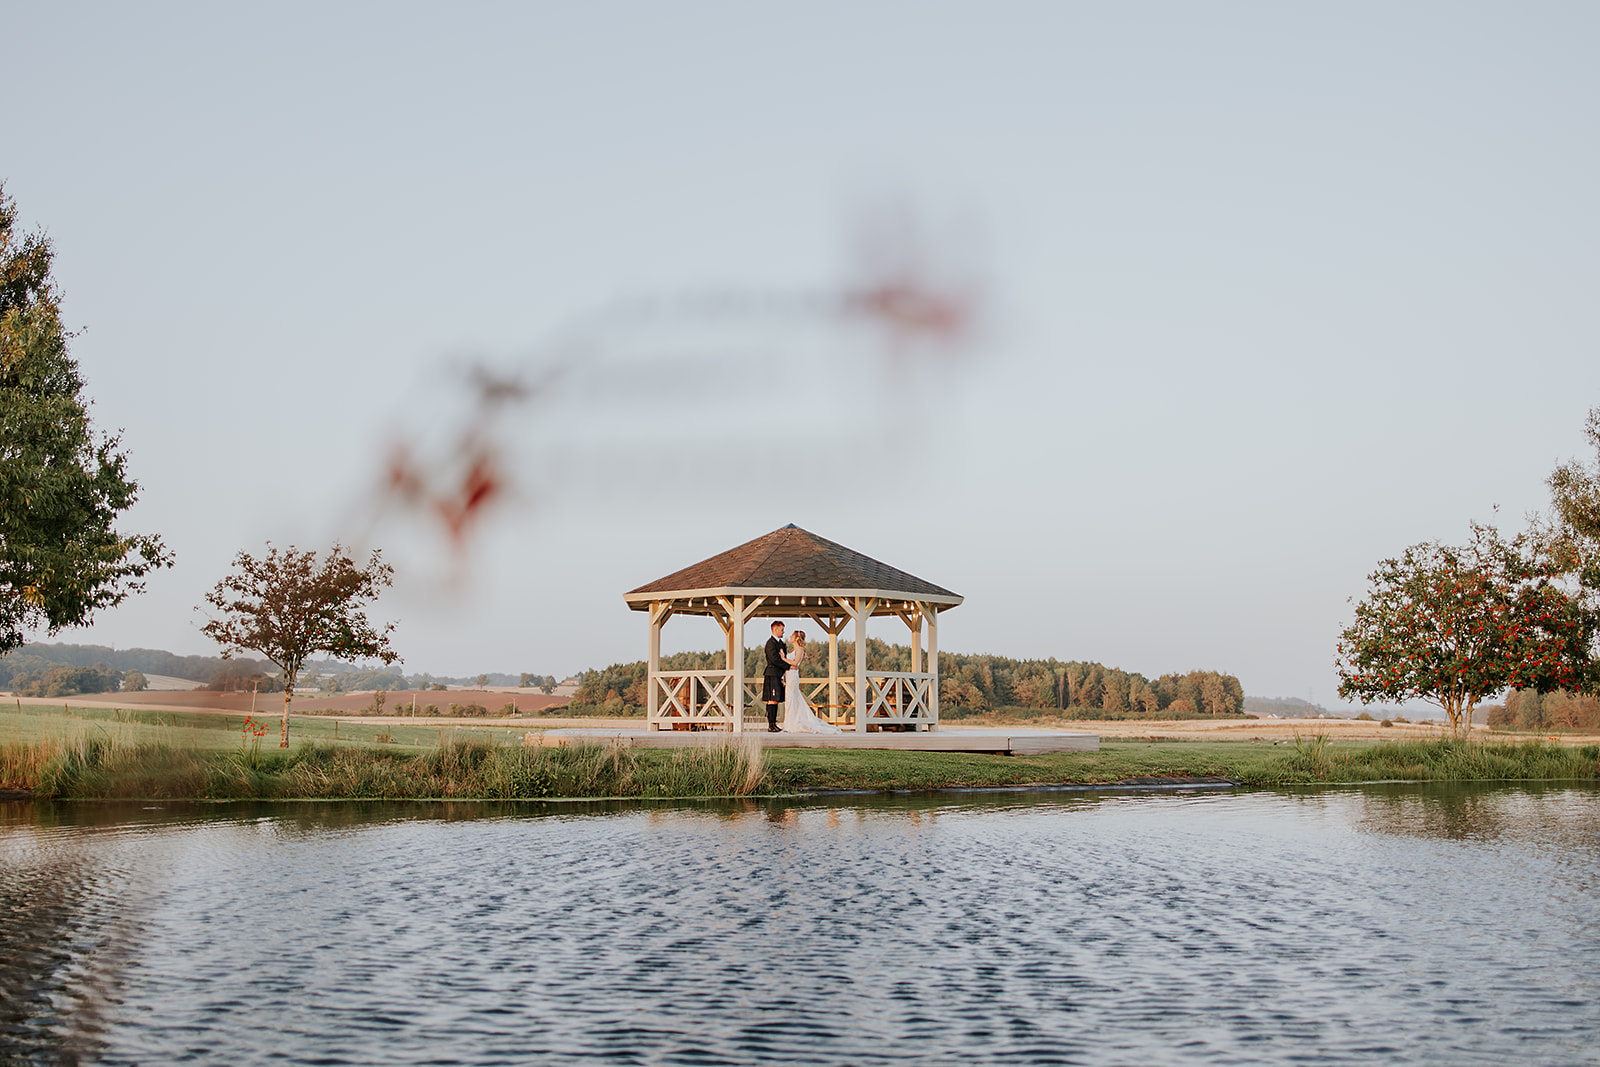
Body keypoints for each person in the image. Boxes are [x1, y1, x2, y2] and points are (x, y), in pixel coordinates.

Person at [782, 631, 843, 735]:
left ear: (797, 638)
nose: (790, 636)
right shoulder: (792, 649)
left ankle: (792, 724)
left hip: (793, 676)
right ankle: (789, 722)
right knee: (789, 699)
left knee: (792, 698)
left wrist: (783, 659)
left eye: (792, 635)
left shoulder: (800, 649)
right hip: (788, 675)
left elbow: (795, 663)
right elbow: (791, 663)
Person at [763, 621, 788, 732]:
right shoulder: (770, 643)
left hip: (778, 675)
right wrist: (788, 666)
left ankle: (774, 723)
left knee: (776, 700)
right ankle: (771, 724)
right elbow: (774, 659)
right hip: (772, 674)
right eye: (782, 629)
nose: (783, 632)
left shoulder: (781, 643)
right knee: (772, 700)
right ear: (775, 629)